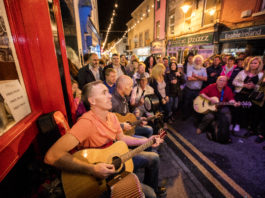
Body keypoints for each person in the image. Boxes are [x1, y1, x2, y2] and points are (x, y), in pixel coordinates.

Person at [44, 80, 164, 198]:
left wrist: (147, 141)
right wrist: (92, 169)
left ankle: (153, 186)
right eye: (104, 93)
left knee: (154, 158)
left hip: (115, 162)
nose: (110, 95)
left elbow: (122, 138)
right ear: (92, 101)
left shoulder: (112, 117)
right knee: (149, 194)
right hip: (96, 178)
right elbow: (52, 156)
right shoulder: (86, 123)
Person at [196, 76, 239, 143]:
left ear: (226, 83)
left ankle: (225, 133)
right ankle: (201, 128)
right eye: (220, 80)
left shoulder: (228, 89)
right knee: (209, 116)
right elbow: (201, 93)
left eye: (224, 81)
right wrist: (210, 99)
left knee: (228, 116)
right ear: (216, 81)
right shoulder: (211, 86)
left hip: (221, 107)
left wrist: (234, 103)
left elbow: (231, 99)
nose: (221, 82)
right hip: (210, 107)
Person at [232, 56, 264, 134]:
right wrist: (244, 85)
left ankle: (242, 124)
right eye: (252, 63)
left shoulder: (261, 75)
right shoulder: (242, 72)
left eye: (255, 63)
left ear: (259, 64)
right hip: (240, 93)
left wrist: (254, 86)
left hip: (252, 96)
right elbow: (234, 82)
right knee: (237, 109)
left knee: (246, 111)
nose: (253, 65)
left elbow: (260, 87)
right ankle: (235, 123)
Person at [182, 55, 207, 120]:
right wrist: (200, 78)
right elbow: (189, 78)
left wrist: (195, 76)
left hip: (197, 90)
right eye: (196, 60)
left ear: (201, 61)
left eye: (199, 60)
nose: (198, 62)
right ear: (194, 61)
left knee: (196, 104)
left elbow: (205, 79)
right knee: (186, 104)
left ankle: (195, 118)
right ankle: (185, 116)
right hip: (189, 89)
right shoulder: (190, 68)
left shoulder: (204, 69)